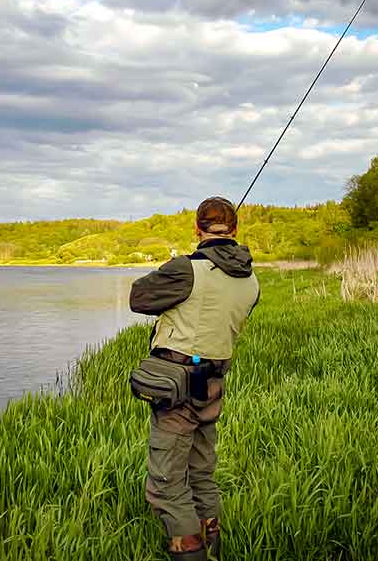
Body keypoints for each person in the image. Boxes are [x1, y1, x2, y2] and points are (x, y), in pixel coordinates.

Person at [130, 196, 260, 560]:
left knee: (167, 485)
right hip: (211, 385)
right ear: (235, 230)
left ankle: (190, 553)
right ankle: (213, 550)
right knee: (201, 473)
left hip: (178, 386)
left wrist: (174, 266)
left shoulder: (186, 269)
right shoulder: (252, 281)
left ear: (197, 229)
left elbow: (138, 298)